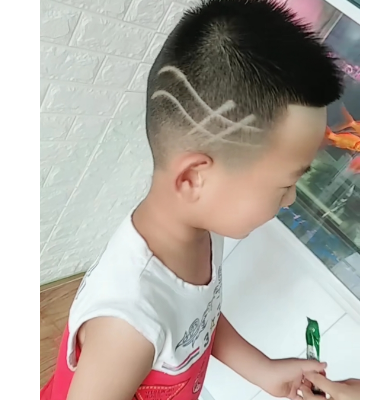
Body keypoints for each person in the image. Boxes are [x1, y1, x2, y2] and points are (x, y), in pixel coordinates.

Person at [40, 1, 343, 399]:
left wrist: (263, 370)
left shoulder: (201, 227)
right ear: (195, 178)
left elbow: (197, 317)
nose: (290, 199)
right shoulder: (127, 327)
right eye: (285, 184)